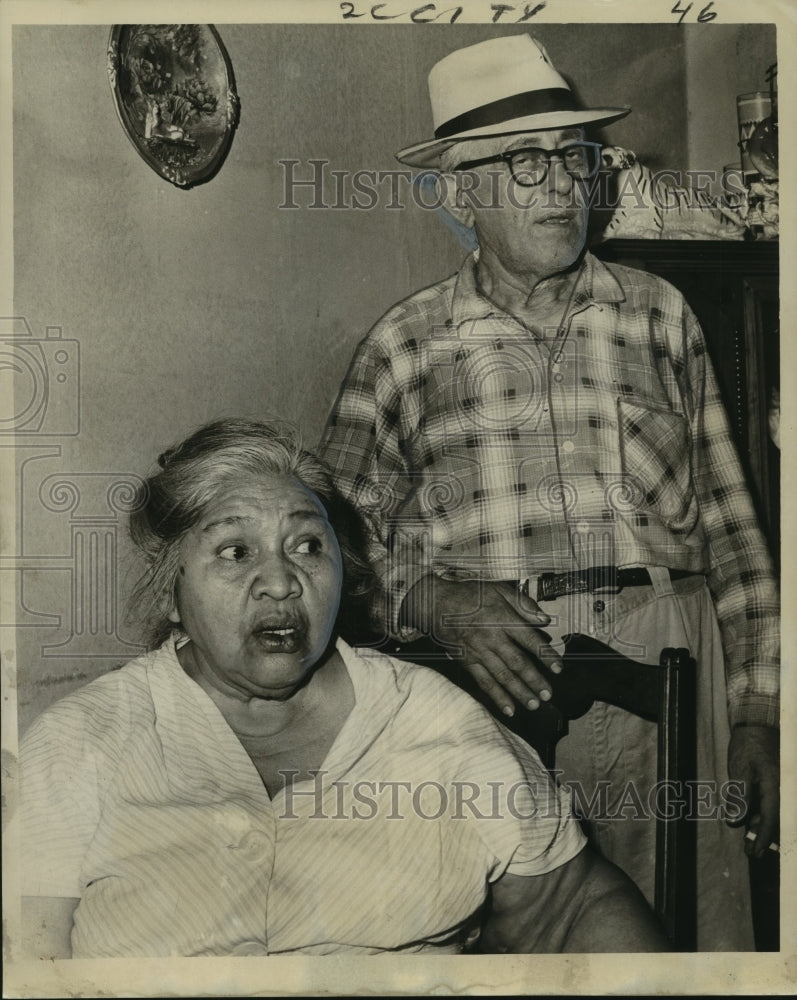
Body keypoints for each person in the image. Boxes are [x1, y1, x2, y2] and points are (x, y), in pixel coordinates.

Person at [319, 34, 780, 951]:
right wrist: (432, 604)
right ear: (459, 194)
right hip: (492, 690)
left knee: (692, 946)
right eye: (526, 163)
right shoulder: (403, 347)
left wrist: (763, 713)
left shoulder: (658, 313)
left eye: (573, 158)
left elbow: (733, 532)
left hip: (674, 670)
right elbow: (328, 551)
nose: (565, 186)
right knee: (520, 944)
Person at [19, 417, 669, 958]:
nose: (280, 582)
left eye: (306, 546)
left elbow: (573, 906)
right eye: (235, 552)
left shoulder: (434, 725)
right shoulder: (83, 746)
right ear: (169, 590)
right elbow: (26, 964)